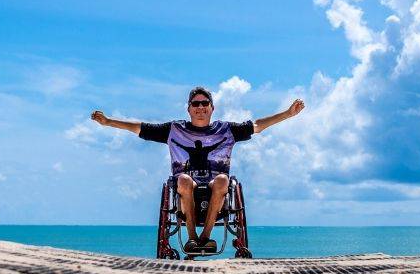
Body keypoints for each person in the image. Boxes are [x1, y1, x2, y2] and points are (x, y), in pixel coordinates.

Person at [91, 86, 304, 254]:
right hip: (185, 186)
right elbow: (140, 128)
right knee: (182, 179)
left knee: (223, 180)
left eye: (205, 103)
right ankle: (192, 238)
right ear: (189, 108)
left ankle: (205, 237)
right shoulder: (175, 129)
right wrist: (108, 122)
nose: (200, 107)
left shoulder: (226, 130)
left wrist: (287, 113)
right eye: (196, 103)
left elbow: (257, 125)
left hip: (216, 187)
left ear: (212, 108)